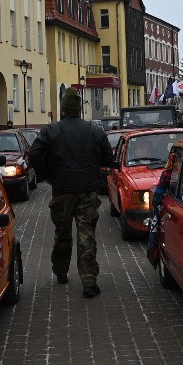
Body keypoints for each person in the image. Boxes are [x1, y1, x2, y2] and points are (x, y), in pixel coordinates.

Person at [29, 87, 115, 298]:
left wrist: (45, 175)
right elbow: (108, 160)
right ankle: (88, 281)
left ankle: (61, 271)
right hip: (87, 190)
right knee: (87, 235)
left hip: (62, 190)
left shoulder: (51, 131)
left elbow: (34, 155)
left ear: (63, 109)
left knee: (63, 233)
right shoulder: (95, 131)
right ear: (79, 109)